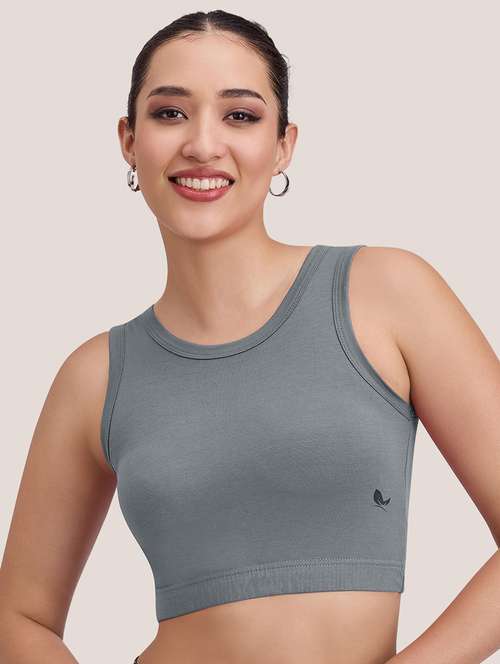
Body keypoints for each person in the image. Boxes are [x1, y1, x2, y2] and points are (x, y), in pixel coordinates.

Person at [1, 10, 499, 664]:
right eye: (170, 113)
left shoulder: (386, 293)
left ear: (284, 144)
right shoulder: (95, 376)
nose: (203, 144)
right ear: (129, 141)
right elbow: (18, 617)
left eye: (240, 115)